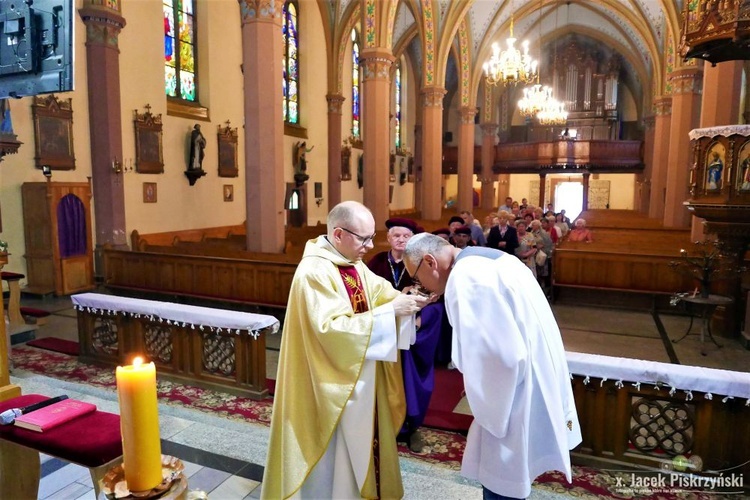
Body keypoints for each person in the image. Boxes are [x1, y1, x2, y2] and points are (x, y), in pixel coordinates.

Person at [262, 201, 428, 499]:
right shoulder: (314, 272)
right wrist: (391, 312)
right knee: (332, 457)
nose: (369, 245)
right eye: (363, 238)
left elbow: (377, 290)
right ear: (338, 234)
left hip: (356, 376)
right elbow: (330, 330)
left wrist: (409, 301)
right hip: (328, 384)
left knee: (355, 452)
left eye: (371, 237)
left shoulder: (350, 262)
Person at [403, 234, 581, 499]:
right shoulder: (489, 259)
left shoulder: (468, 279)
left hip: (511, 397)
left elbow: (501, 358)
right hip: (535, 377)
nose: (421, 285)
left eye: (417, 277)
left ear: (430, 262)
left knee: (502, 481)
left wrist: (487, 408)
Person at [367, 217, 444, 453]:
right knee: (381, 381)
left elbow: (436, 299)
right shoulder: (376, 262)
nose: (401, 240)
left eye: (406, 236)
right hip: (383, 330)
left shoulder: (421, 263)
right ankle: (383, 425)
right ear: (388, 238)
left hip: (413, 334)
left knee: (410, 381)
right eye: (396, 235)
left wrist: (421, 319)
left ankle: (412, 428)